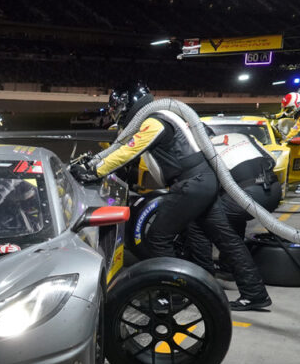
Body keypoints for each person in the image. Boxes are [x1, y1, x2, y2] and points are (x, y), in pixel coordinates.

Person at [89, 81, 271, 310]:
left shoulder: (153, 121)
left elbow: (127, 151)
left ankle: (171, 295)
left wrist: (94, 169)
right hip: (203, 181)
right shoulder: (164, 115)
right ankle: (254, 293)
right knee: (226, 239)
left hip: (190, 184)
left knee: (157, 238)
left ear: (127, 104)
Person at [185, 131, 281, 276]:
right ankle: (228, 267)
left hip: (249, 195)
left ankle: (203, 274)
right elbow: (272, 160)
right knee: (233, 218)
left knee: (197, 222)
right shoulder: (242, 136)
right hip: (274, 191)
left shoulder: (206, 148)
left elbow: (205, 182)